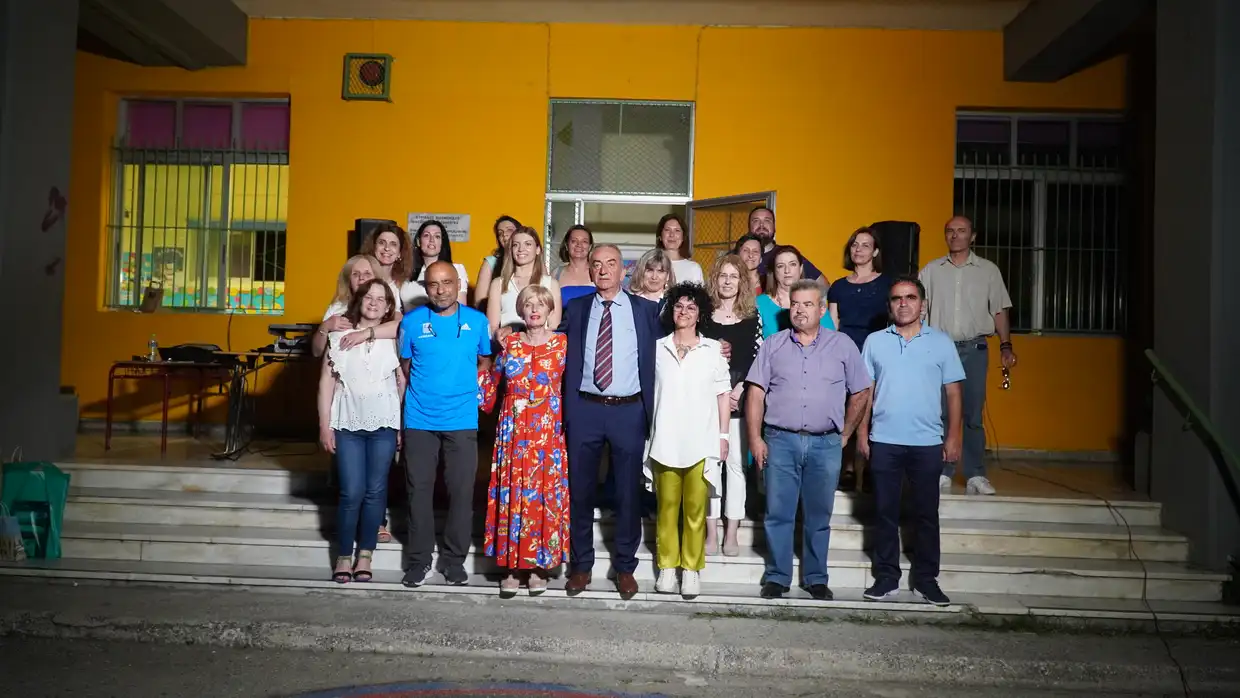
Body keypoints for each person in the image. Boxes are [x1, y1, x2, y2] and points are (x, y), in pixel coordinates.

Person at [745, 279, 871, 600]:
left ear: (821, 308)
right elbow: (756, 393)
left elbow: (861, 390)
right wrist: (755, 439)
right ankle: (777, 576)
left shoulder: (842, 345)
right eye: (795, 304)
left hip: (825, 444)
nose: (800, 310)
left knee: (818, 516)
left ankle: (816, 578)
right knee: (778, 513)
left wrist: (845, 432)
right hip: (780, 441)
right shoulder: (773, 345)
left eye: (808, 304)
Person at [562, 243, 662, 599]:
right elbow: (553, 344)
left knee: (627, 493)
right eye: (597, 264)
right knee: (580, 491)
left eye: (611, 264)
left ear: (623, 270)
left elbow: (675, 341)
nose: (603, 270)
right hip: (585, 409)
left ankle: (625, 567)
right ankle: (581, 565)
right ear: (589, 270)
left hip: (628, 410)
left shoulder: (646, 311)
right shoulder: (576, 308)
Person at [859, 275, 964, 607]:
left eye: (910, 297)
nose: (903, 303)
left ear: (923, 304)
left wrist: (954, 436)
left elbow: (954, 393)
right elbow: (865, 392)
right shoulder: (875, 342)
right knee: (884, 512)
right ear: (889, 306)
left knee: (926, 514)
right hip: (884, 440)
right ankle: (886, 577)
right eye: (896, 298)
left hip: (927, 442)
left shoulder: (942, 343)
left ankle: (926, 580)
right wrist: (862, 433)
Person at [397, 261, 493, 587]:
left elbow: (484, 360)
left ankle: (453, 561)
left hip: (462, 419)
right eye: (433, 284)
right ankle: (419, 561)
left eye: (447, 282)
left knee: (461, 493)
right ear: (426, 288)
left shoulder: (477, 322)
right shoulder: (411, 322)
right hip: (419, 419)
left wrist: (461, 386)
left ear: (458, 285)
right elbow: (406, 364)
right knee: (418, 492)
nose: (441, 290)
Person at [478, 284, 569, 597]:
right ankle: (512, 567)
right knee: (513, 493)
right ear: (520, 310)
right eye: (528, 304)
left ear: (549, 310)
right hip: (514, 430)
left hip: (547, 431)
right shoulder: (510, 343)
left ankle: (539, 566)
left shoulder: (562, 344)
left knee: (543, 496)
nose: (534, 309)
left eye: (540, 304)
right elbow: (490, 383)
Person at [919, 215, 1017, 496]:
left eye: (961, 231)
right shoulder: (931, 270)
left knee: (973, 413)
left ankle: (975, 474)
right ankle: (942, 471)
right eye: (950, 231)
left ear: (972, 236)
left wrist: (1006, 346)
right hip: (939, 350)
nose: (955, 235)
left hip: (975, 349)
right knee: (939, 413)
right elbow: (919, 309)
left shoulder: (988, 271)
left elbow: (999, 311)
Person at [645, 282, 731, 599]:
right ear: (671, 311)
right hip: (665, 440)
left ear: (700, 313)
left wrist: (723, 436)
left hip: (701, 441)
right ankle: (667, 567)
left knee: (695, 511)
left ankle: (691, 569)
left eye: (691, 307)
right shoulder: (656, 348)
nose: (684, 312)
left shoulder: (713, 350)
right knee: (667, 509)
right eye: (679, 306)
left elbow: (723, 394)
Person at [316, 279, 404, 584]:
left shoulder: (394, 337)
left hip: (385, 424)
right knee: (351, 491)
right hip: (347, 424)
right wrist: (324, 424)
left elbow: (402, 383)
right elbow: (326, 383)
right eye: (369, 297)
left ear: (388, 306)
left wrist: (402, 426)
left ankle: (365, 554)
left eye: (381, 299)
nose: (374, 303)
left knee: (375, 491)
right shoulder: (338, 335)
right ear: (360, 300)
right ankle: (344, 555)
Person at [700, 254, 762, 556]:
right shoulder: (703, 315)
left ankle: (732, 532)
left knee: (736, 465)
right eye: (723, 275)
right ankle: (711, 532)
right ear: (715, 279)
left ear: (742, 282)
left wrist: (741, 388)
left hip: (741, 395)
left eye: (734, 276)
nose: (727, 281)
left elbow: (759, 357)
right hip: (707, 398)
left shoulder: (752, 316)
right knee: (710, 466)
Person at [828, 226, 892, 491]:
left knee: (875, 411)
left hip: (878, 353)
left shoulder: (888, 284)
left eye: (865, 245)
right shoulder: (838, 287)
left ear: (875, 252)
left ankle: (872, 469)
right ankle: (848, 469)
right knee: (847, 410)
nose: (859, 249)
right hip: (846, 352)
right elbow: (833, 324)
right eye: (855, 244)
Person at [486, 226, 561, 340]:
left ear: (538, 249)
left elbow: (554, 327)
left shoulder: (551, 283)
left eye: (528, 244)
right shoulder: (498, 284)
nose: (521, 249)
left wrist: (519, 332)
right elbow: (492, 328)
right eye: (516, 245)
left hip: (541, 347)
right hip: (508, 347)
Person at [757, 245, 836, 338]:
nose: (787, 270)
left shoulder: (816, 301)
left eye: (792, 264)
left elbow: (832, 339)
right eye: (780, 266)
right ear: (774, 271)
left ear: (801, 268)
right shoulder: (759, 303)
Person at [313, 255, 380, 358]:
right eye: (355, 274)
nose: (361, 278)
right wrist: (324, 327)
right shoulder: (337, 308)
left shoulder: (385, 307)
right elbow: (317, 352)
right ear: (349, 280)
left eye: (367, 274)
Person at [359, 222, 426, 312]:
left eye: (393, 244)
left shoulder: (403, 287)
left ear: (400, 253)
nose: (387, 248)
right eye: (382, 243)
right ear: (374, 247)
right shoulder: (361, 279)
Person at [748, 206, 825, 282]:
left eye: (767, 220)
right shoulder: (741, 256)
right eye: (756, 221)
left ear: (774, 227)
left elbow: (823, 285)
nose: (761, 225)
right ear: (749, 227)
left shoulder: (788, 255)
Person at [410, 219, 469, 306]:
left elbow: (461, 307)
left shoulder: (456, 269)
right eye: (426, 235)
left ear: (442, 242)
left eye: (437, 236)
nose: (432, 240)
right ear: (418, 241)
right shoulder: (407, 271)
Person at [475, 215, 520, 310]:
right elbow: (478, 302)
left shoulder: (533, 260)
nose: (504, 235)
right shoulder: (491, 262)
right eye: (500, 233)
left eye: (509, 230)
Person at [655, 213, 704, 285]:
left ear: (683, 237)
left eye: (677, 230)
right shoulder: (649, 266)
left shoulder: (693, 268)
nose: (672, 234)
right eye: (667, 230)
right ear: (660, 236)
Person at [554, 224, 596, 306]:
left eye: (584, 241)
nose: (579, 245)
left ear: (590, 247)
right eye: (574, 241)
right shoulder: (556, 274)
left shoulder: (598, 271)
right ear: (566, 245)